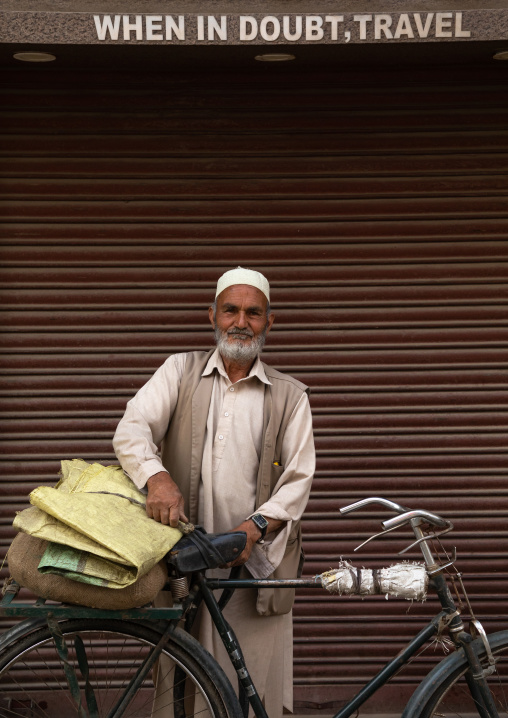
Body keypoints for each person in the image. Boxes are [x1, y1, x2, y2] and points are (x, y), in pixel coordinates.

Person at [113, 266, 315, 717]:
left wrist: (254, 528)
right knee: (181, 680)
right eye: (230, 310)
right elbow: (132, 429)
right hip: (184, 555)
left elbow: (299, 479)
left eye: (253, 313)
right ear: (212, 316)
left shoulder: (290, 395)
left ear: (269, 322)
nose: (240, 322)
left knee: (248, 682)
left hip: (253, 561)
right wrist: (156, 478)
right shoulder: (179, 371)